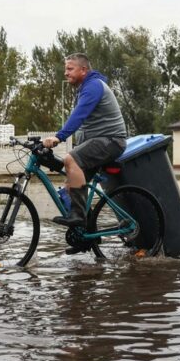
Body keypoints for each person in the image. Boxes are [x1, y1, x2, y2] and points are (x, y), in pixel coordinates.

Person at [43, 53, 127, 236]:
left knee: (70, 159)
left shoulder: (93, 87)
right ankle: (88, 237)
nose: (65, 73)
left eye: (70, 68)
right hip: (99, 141)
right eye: (65, 69)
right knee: (69, 187)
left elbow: (79, 116)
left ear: (83, 70)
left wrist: (59, 136)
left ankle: (79, 217)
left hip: (112, 140)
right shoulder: (84, 88)